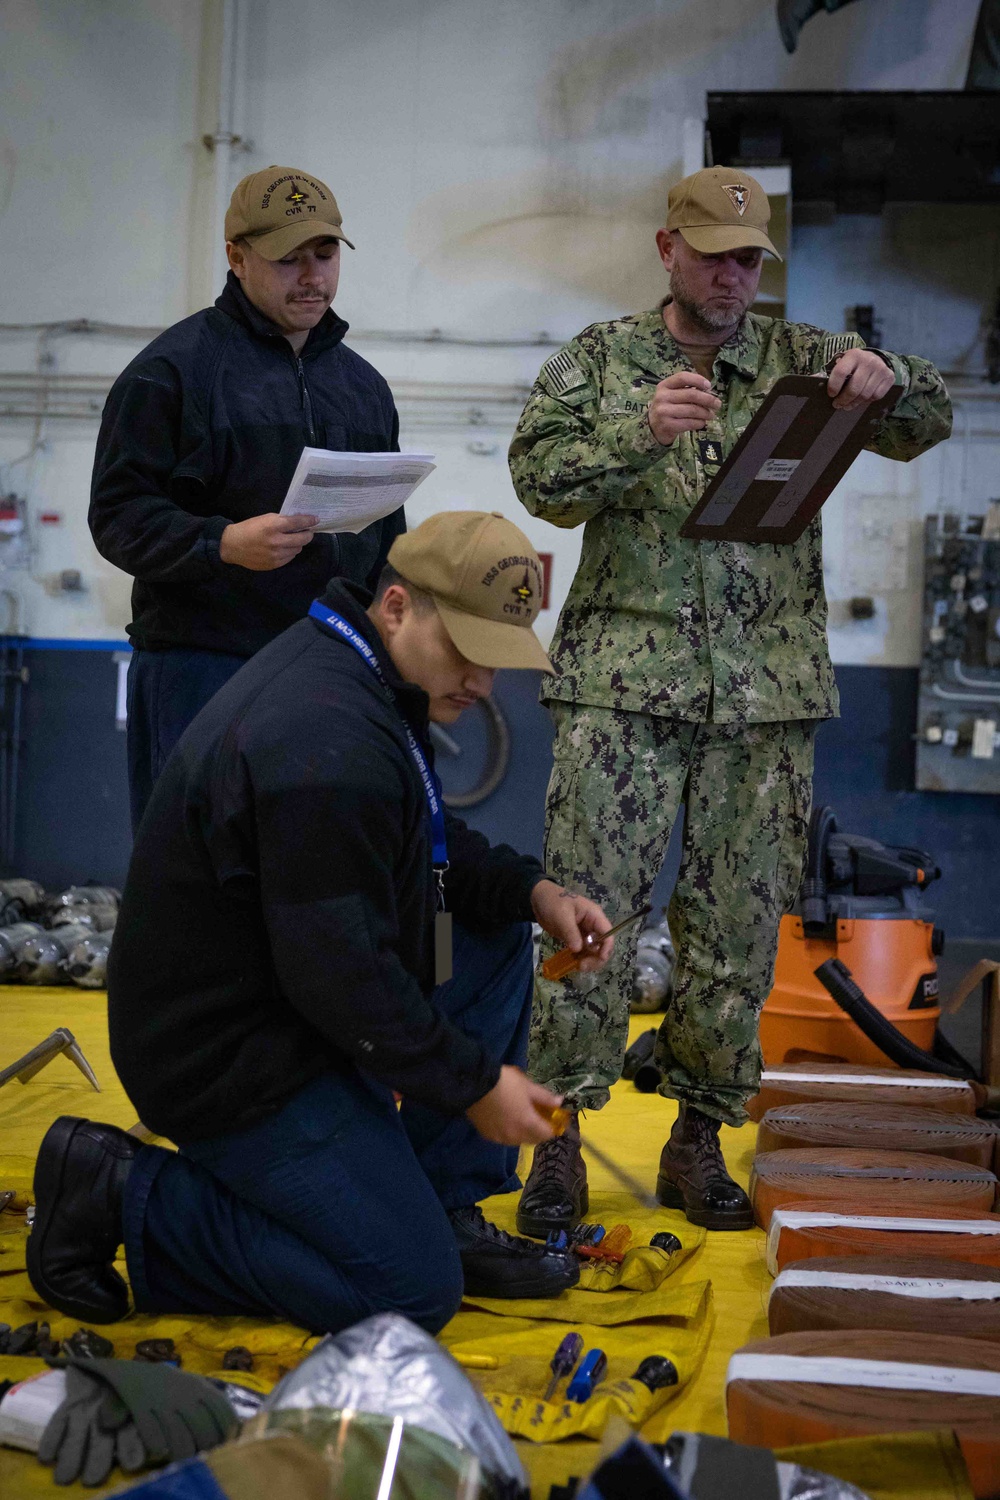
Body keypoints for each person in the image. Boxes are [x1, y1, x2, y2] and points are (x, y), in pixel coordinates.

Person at [27, 511, 616, 1337]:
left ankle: (438, 1204)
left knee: (489, 939)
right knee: (412, 1293)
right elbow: (342, 975)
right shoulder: (324, 736)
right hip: (231, 1059)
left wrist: (533, 892)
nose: (484, 683)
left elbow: (425, 845)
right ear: (400, 605)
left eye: (499, 658)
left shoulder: (364, 673)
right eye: (470, 652)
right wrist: (475, 1085)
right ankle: (123, 1192)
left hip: (286, 1002)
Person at [508, 165, 952, 1234]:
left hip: (766, 697)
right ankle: (557, 1137)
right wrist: (636, 434)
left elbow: (928, 414)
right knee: (586, 919)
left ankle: (698, 1137)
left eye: (748, 259)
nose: (730, 275)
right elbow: (536, 479)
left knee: (737, 928)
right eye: (711, 253)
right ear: (667, 248)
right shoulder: (604, 360)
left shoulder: (804, 361)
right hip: (623, 688)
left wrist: (884, 374)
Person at [90, 164, 405, 830]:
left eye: (324, 255)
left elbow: (387, 534)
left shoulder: (363, 387)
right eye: (288, 259)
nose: (313, 276)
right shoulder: (170, 373)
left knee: (310, 874)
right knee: (194, 874)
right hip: (202, 669)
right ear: (236, 258)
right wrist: (222, 543)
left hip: (329, 666)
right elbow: (117, 517)